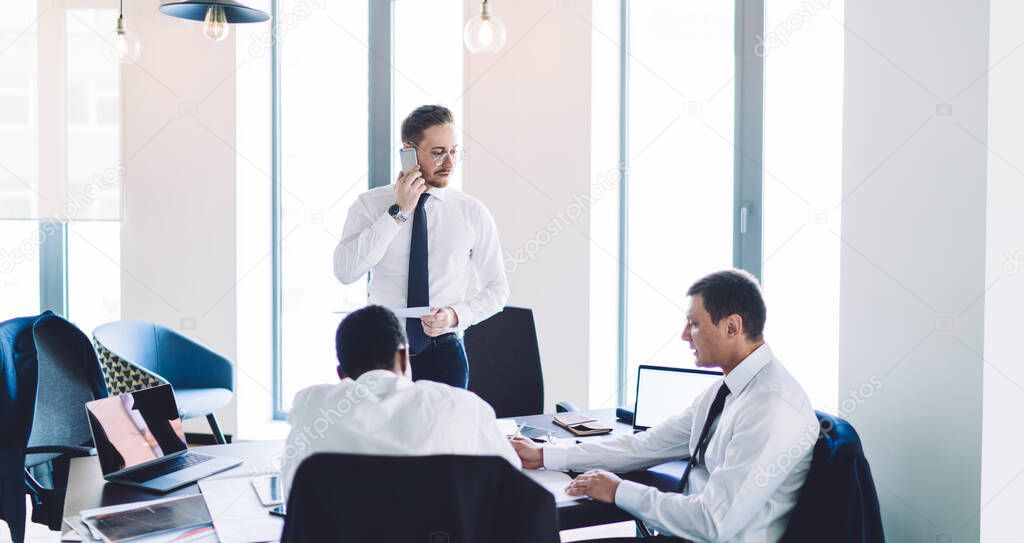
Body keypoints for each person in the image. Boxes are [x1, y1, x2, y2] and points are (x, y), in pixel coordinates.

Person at [510, 270, 818, 542]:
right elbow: (646, 445)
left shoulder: (772, 407)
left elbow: (713, 520)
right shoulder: (725, 391)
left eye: (694, 324)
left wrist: (619, 490)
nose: (685, 335)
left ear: (732, 327)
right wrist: (546, 455)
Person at [333, 105, 509, 388]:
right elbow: (346, 271)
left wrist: (455, 315)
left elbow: (497, 290)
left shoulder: (472, 212)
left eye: (454, 151)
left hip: (445, 353)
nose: (449, 163)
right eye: (438, 153)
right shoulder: (369, 205)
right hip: (381, 357)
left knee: (446, 433)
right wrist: (398, 212)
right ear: (409, 152)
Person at [280, 305, 520, 497]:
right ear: (404, 357)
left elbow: (294, 498)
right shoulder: (461, 407)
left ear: (341, 374)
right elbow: (511, 483)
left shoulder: (310, 408)